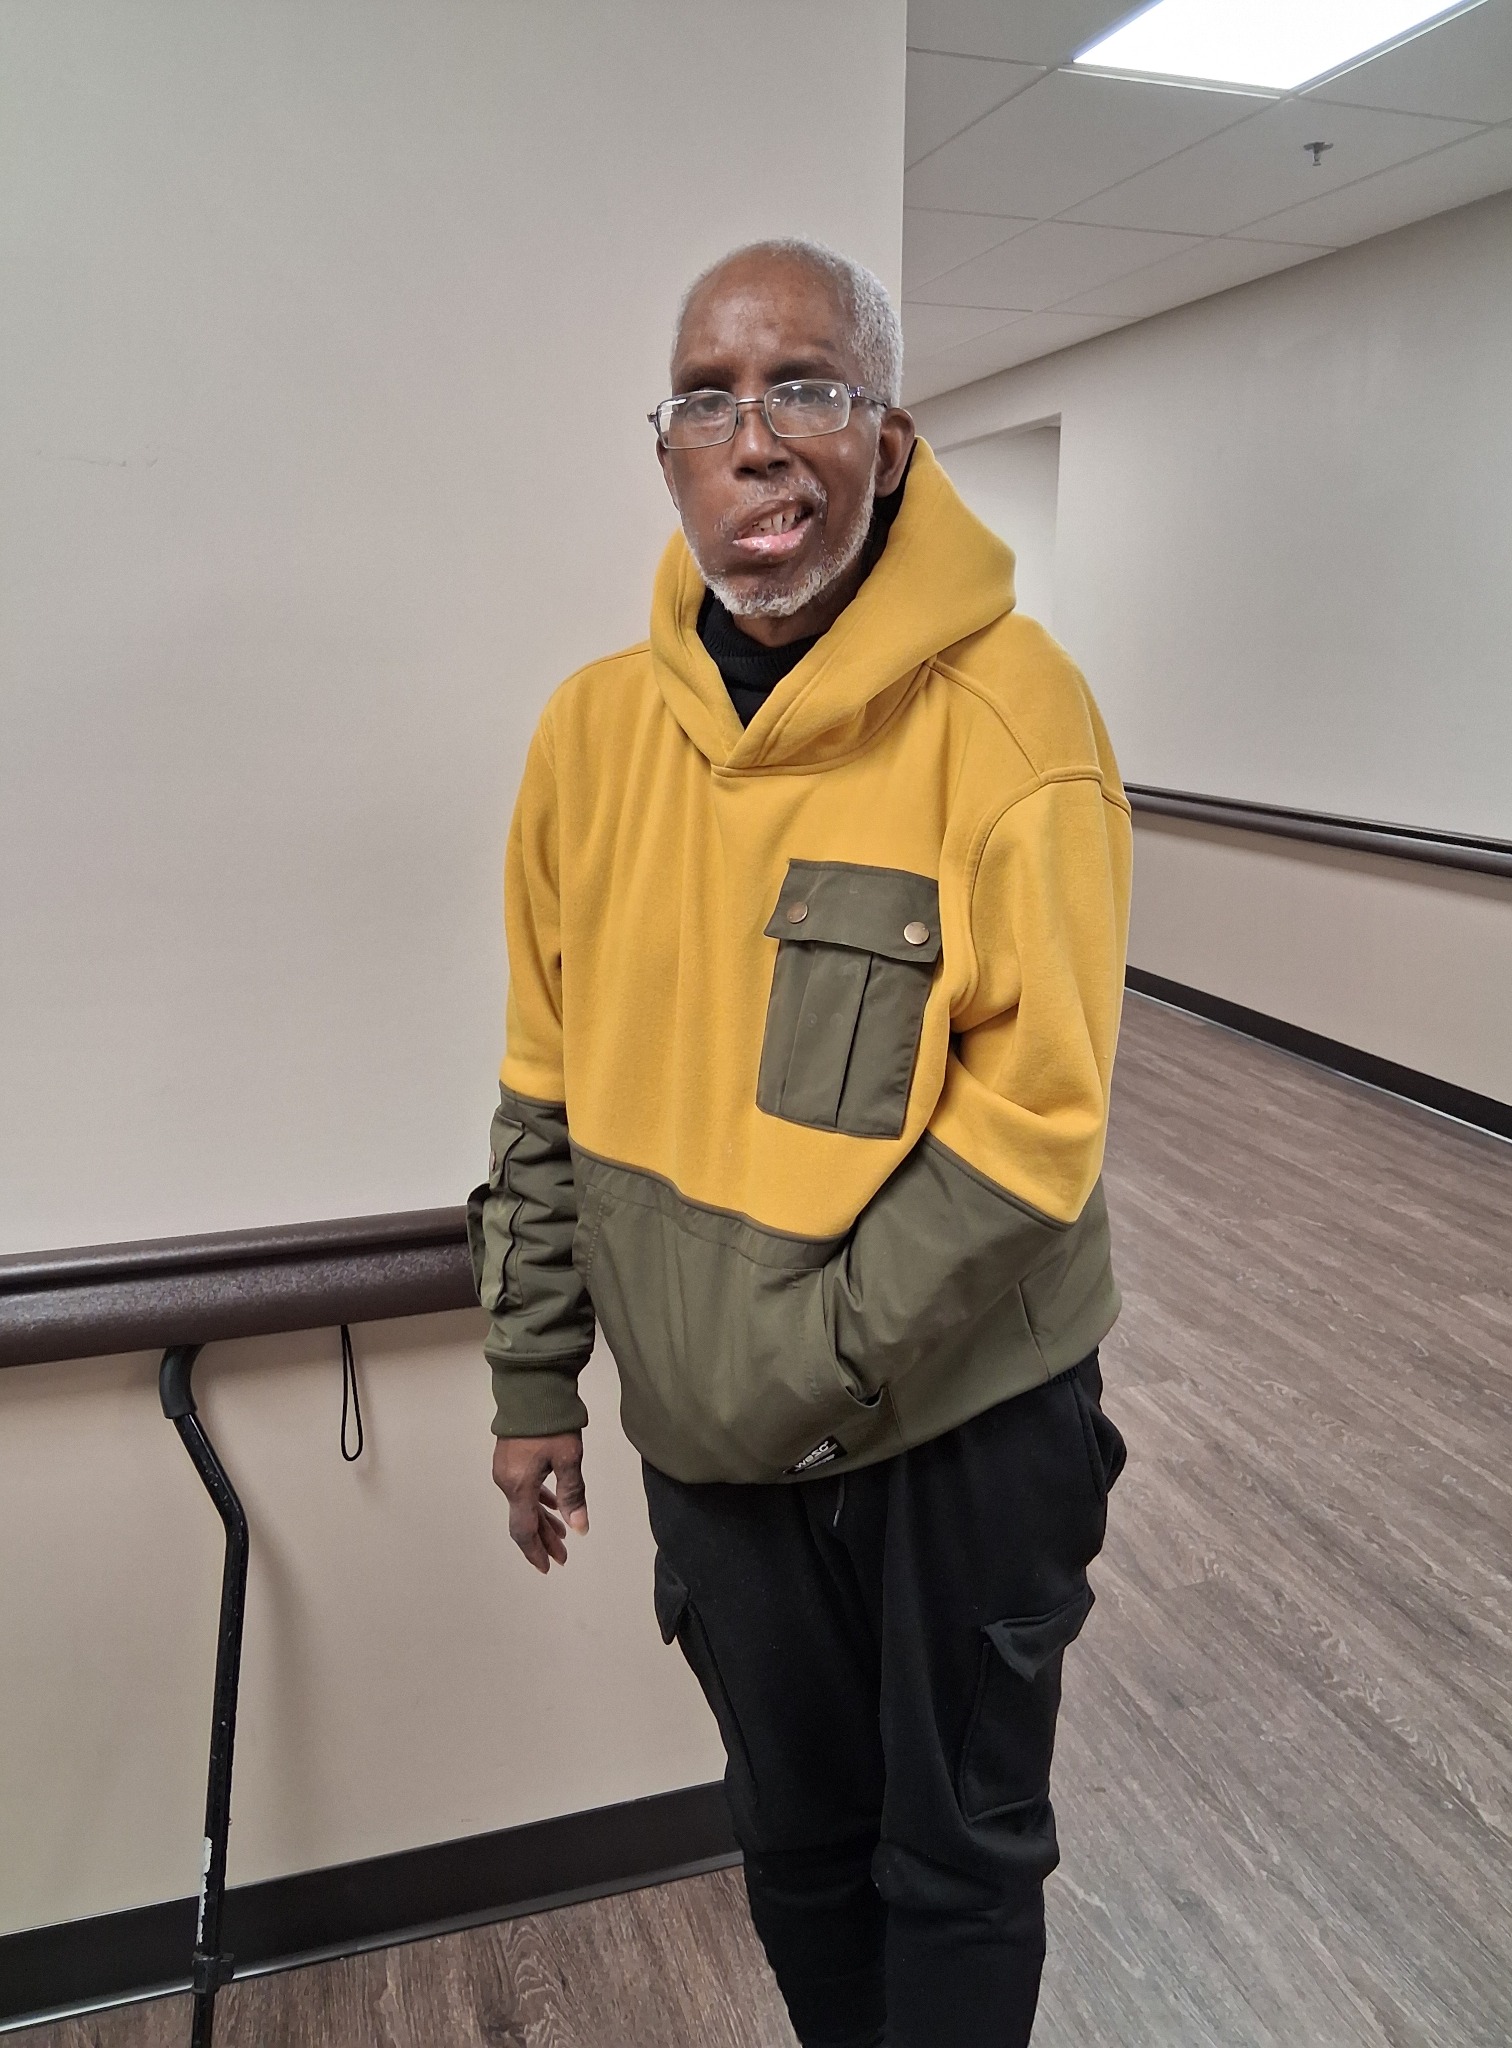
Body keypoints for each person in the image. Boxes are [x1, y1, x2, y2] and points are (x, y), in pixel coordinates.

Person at [467, 238, 1131, 2048]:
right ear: (669, 456)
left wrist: (792, 1370)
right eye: (708, 400)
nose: (755, 438)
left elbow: (1036, 1129)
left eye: (809, 388)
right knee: (799, 1844)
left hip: (961, 1431)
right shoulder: (588, 738)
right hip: (718, 1458)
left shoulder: (1018, 720)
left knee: (960, 1857)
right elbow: (542, 1093)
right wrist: (534, 1378)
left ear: (889, 443)